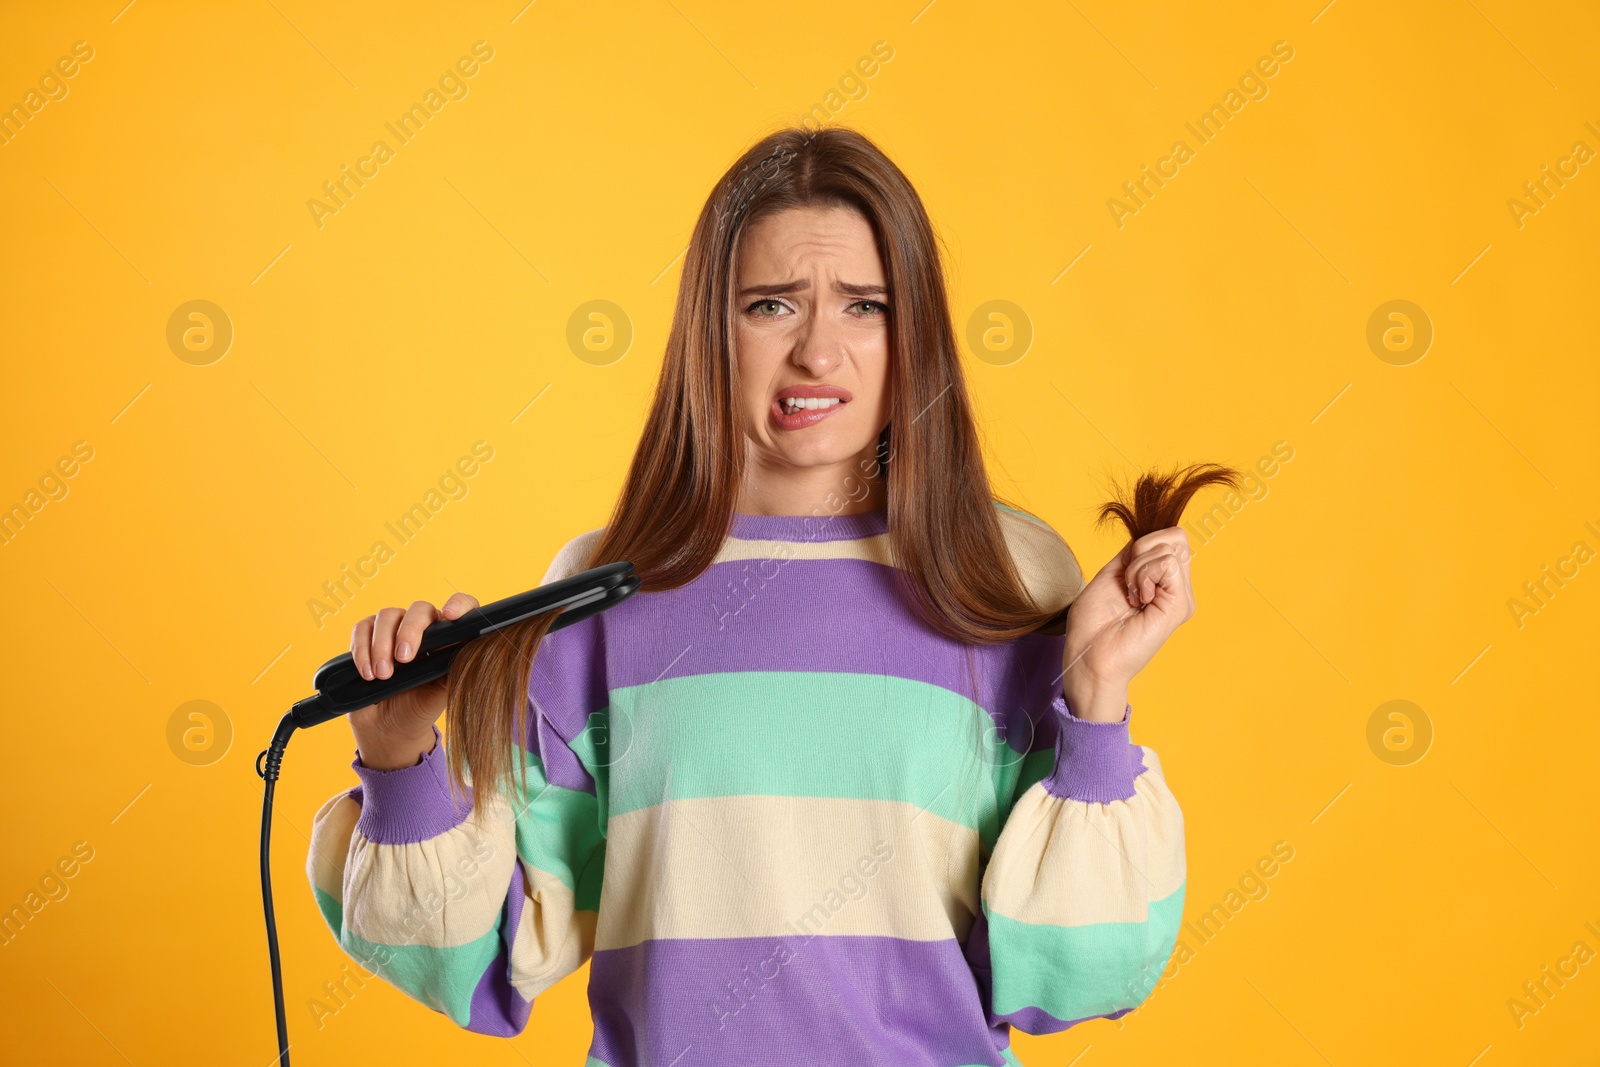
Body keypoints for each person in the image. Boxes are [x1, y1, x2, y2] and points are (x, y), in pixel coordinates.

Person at [306, 125, 1211, 1067]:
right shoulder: (598, 596)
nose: (820, 351)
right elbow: (483, 963)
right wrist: (397, 751)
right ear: (710, 329)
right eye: (772, 304)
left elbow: (1071, 977)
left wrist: (1097, 703)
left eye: (865, 305)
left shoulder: (1001, 580)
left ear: (915, 338)